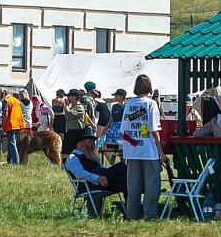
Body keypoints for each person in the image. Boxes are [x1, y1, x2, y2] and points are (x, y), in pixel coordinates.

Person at [121, 74, 164, 220]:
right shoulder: (151, 104)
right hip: (148, 149)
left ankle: (132, 214)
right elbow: (154, 129)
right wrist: (161, 151)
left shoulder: (128, 104)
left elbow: (124, 129)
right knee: (152, 183)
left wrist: (128, 147)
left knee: (133, 186)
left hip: (132, 150)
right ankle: (149, 214)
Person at [64, 133, 128, 217]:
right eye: (90, 141)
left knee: (125, 181)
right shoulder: (73, 158)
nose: (94, 144)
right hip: (90, 185)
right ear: (81, 143)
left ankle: (131, 209)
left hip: (103, 181)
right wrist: (97, 178)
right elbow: (80, 174)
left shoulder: (91, 156)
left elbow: (102, 170)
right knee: (121, 166)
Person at [2, 89, 28, 165]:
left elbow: (5, 114)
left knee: (12, 143)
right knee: (13, 143)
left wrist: (3, 125)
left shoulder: (6, 101)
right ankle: (9, 160)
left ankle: (15, 161)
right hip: (18, 124)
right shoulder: (16, 100)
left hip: (11, 124)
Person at [62, 89, 88, 158]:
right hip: (70, 131)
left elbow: (70, 114)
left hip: (77, 132)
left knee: (76, 152)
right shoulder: (72, 107)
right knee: (66, 151)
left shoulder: (79, 107)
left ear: (74, 97)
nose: (68, 98)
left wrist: (66, 106)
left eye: (69, 96)